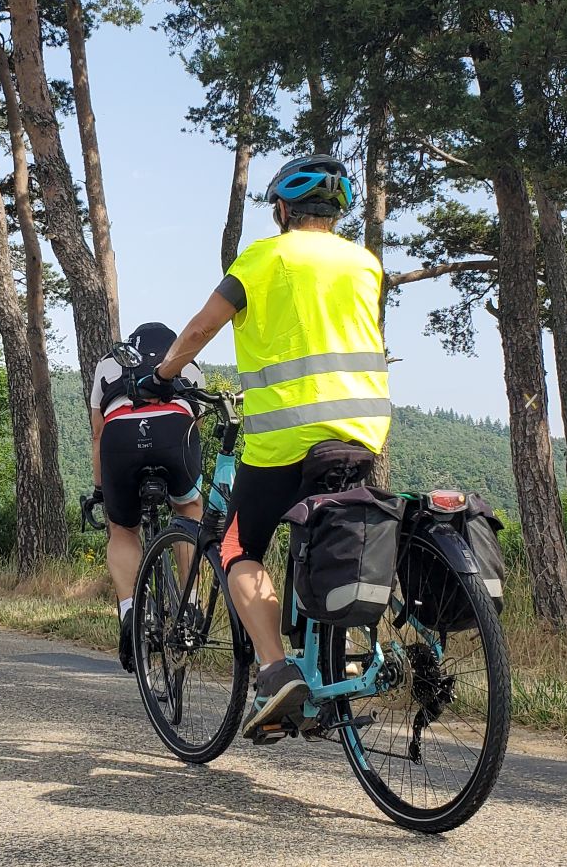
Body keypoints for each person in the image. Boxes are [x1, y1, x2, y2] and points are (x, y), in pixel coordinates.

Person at [149, 153, 389, 740]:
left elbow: (203, 327)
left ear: (282, 208)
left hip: (286, 437)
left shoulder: (264, 257)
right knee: (332, 536)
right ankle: (342, 654)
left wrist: (163, 373)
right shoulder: (366, 263)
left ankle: (276, 669)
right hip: (360, 433)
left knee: (238, 547)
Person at [89, 322, 206, 671]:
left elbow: (97, 434)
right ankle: (191, 604)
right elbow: (195, 427)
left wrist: (100, 491)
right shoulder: (189, 362)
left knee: (123, 530)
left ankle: (131, 610)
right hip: (174, 432)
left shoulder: (108, 363)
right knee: (188, 509)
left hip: (120, 438)